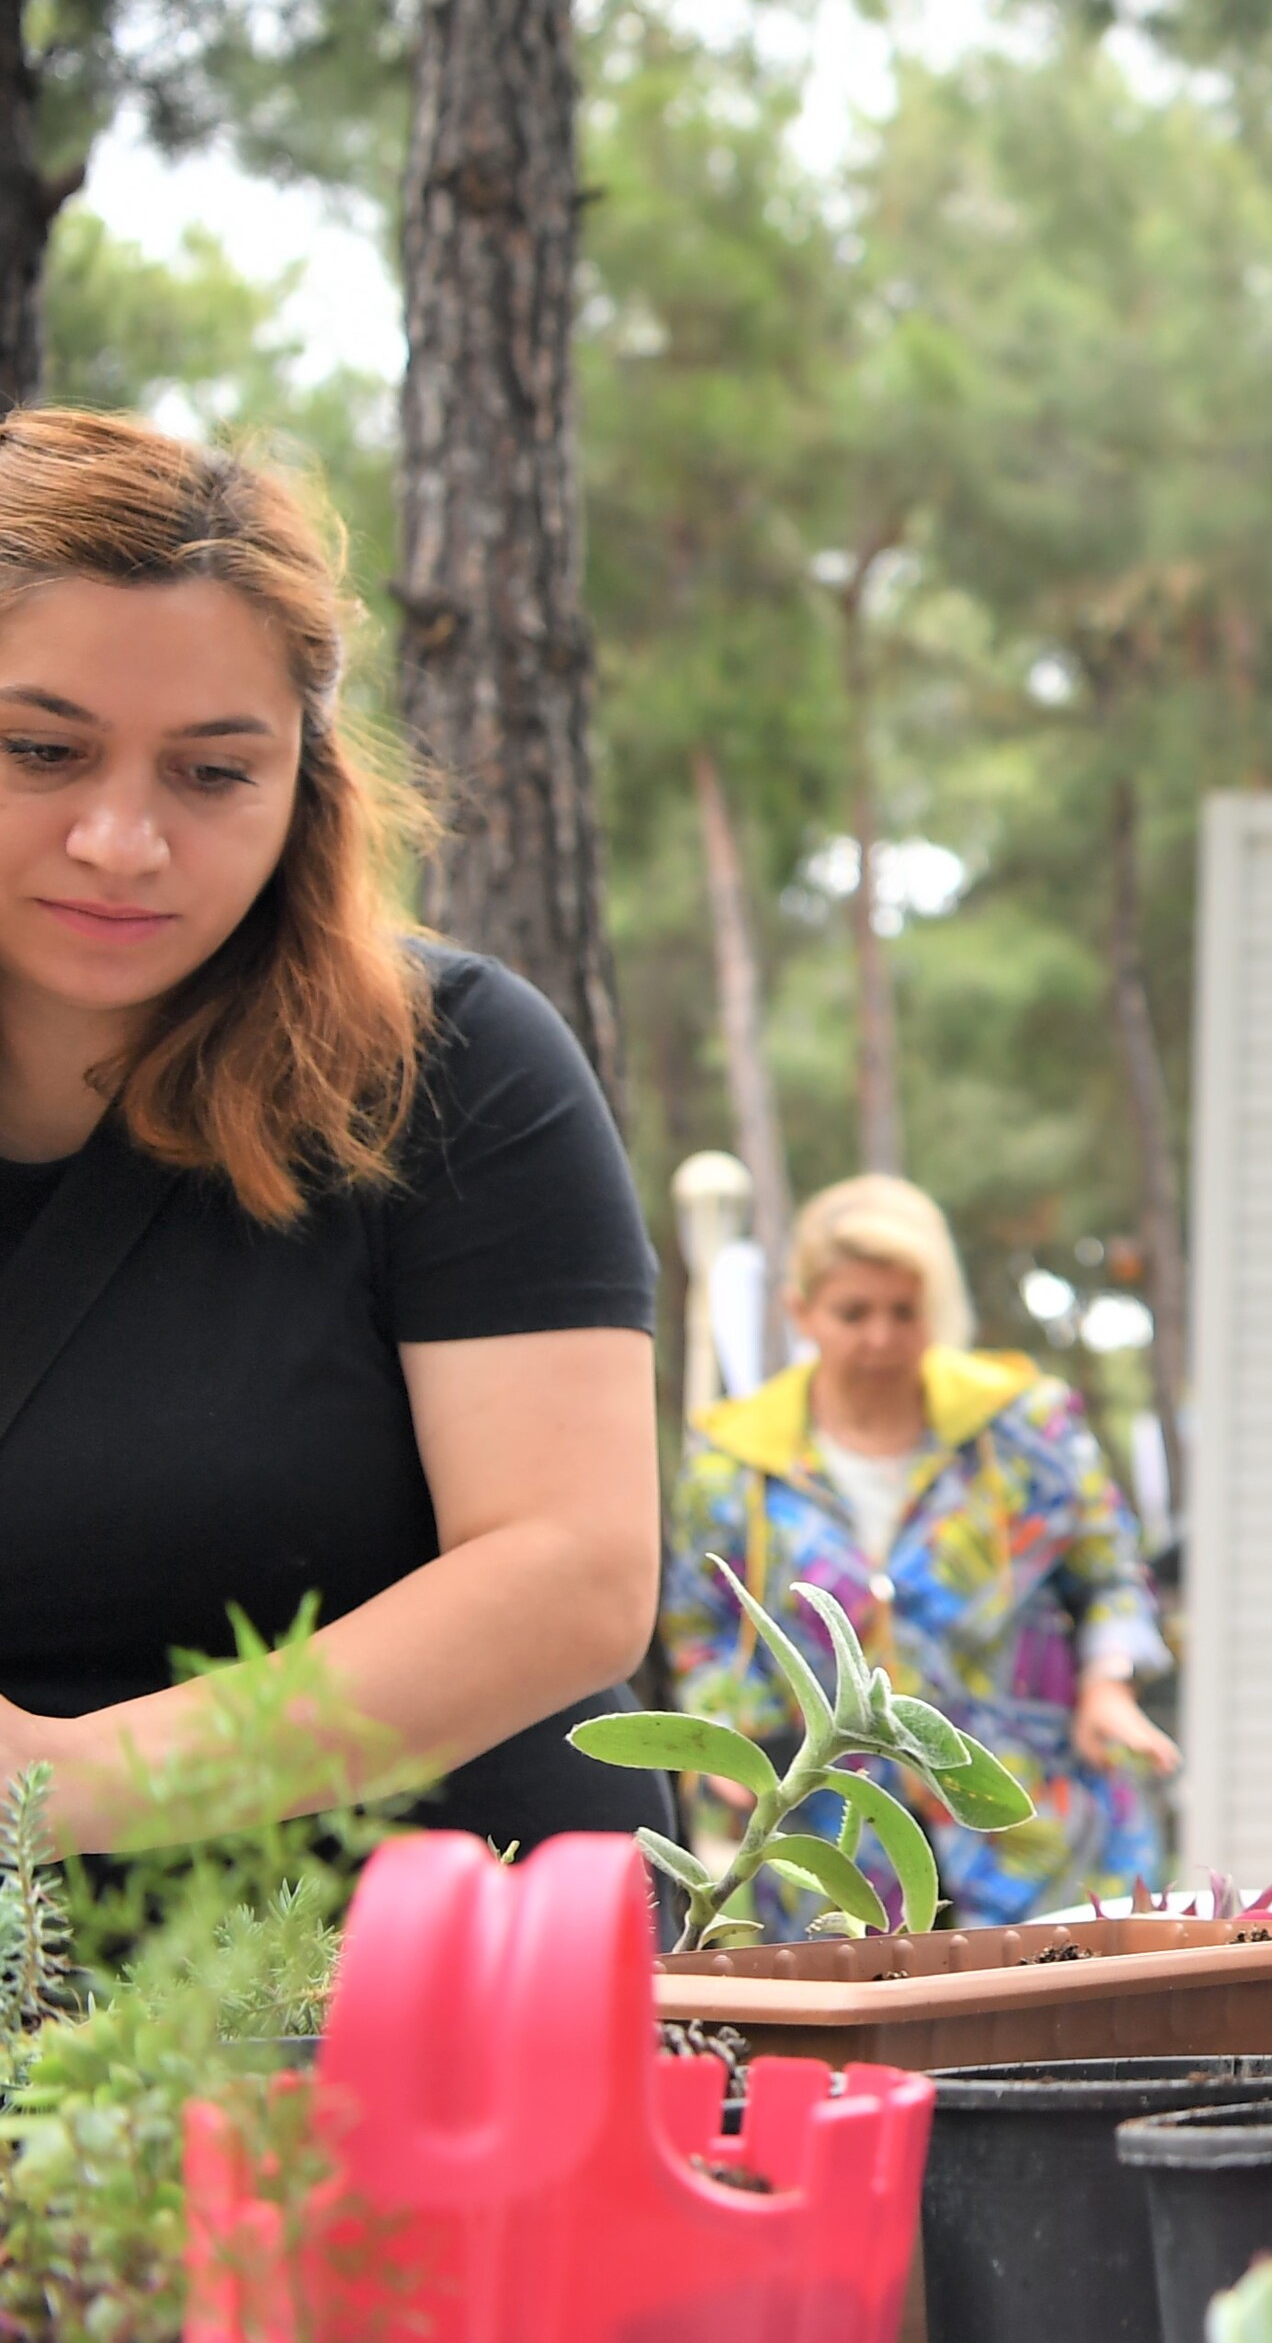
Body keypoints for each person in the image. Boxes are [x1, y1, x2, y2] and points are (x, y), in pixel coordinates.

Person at [0, 409, 661, 1848]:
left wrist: (62, 1790)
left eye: (212, 770)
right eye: (43, 750)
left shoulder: (459, 1067)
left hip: (421, 1979)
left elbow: (575, 1569)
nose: (123, 839)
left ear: (307, 778)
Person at [664, 1173, 1180, 1922]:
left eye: (904, 1312)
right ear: (801, 1310)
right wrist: (726, 1746)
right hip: (832, 1844)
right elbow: (699, 1625)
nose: (879, 1336)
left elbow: (1110, 1578)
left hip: (1029, 1826)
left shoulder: (1024, 1426)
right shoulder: (732, 1459)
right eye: (853, 1312)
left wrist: (1110, 1683)